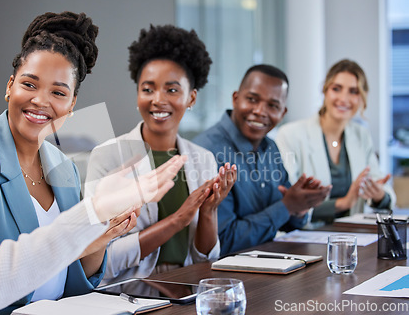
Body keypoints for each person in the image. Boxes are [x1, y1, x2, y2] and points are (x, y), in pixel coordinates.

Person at [0, 3, 185, 315]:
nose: (40, 101)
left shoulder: (64, 167)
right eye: (29, 84)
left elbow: (72, 283)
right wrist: (89, 214)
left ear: (72, 104)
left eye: (58, 93)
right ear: (10, 86)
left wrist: (99, 238)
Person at [86, 25, 236, 285]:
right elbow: (97, 262)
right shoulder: (107, 156)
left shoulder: (203, 159)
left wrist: (208, 212)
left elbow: (205, 261)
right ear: (137, 95)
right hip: (128, 293)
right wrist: (177, 220)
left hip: (186, 289)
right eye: (148, 89)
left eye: (172, 90)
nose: (158, 99)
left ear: (191, 98)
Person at [193, 64, 331, 256]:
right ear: (235, 98)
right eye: (252, 99)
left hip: (268, 264)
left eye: (272, 105)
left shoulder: (271, 147)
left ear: (282, 113)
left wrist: (300, 206)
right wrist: (287, 206)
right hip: (225, 275)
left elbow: (289, 221)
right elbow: (223, 241)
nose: (260, 111)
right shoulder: (207, 152)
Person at [275, 59, 395, 224]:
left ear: (362, 98)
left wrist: (378, 195)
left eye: (353, 91)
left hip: (351, 236)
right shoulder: (291, 135)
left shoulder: (361, 135)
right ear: (325, 91)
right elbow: (286, 200)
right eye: (336, 89)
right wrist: (343, 203)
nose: (344, 98)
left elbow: (385, 195)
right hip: (304, 236)